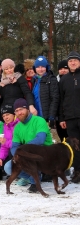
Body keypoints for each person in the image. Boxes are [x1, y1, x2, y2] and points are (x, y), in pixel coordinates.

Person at [4, 98, 53, 193]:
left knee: (31, 155)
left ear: (27, 109)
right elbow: (14, 146)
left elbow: (40, 139)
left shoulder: (39, 120)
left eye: (21, 109)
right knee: (8, 167)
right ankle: (34, 178)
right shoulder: (18, 127)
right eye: (17, 111)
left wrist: (24, 150)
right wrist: (19, 155)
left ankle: (36, 179)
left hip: (45, 154)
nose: (19, 112)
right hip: (29, 154)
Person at [59, 51, 80, 183]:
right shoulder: (64, 79)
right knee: (75, 146)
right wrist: (61, 118)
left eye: (75, 60)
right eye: (70, 61)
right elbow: (61, 100)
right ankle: (77, 171)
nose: (72, 62)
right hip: (70, 118)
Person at [31, 56, 59, 129]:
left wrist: (51, 116)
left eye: (43, 66)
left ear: (46, 67)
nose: (40, 69)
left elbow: (55, 98)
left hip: (47, 116)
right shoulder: (34, 80)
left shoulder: (51, 79)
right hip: (36, 116)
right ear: (35, 68)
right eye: (38, 67)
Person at [0, 104, 19, 181]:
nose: (6, 117)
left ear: (14, 114)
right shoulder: (5, 126)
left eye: (8, 114)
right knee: (3, 164)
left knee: (11, 151)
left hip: (20, 151)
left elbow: (18, 143)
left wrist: (5, 142)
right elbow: (4, 146)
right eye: (3, 116)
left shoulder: (19, 124)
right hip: (12, 153)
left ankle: (25, 175)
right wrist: (0, 158)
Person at [56, 60, 69, 141]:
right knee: (62, 138)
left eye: (65, 68)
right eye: (60, 69)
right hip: (58, 115)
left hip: (69, 114)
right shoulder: (55, 81)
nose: (63, 70)